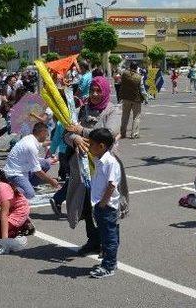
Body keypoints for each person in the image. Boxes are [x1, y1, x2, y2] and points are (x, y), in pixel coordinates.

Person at [64, 76, 128, 256]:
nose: (94, 94)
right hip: (82, 167)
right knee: (86, 205)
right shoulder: (81, 109)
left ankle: (107, 246)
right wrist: (74, 138)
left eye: (99, 90)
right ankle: (93, 241)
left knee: (106, 207)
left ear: (106, 91)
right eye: (92, 90)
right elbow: (66, 133)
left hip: (104, 168)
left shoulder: (113, 110)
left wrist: (82, 131)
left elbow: (109, 134)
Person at [86, 128, 122, 278]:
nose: (89, 147)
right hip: (100, 205)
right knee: (106, 234)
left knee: (109, 237)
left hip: (106, 206)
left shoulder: (110, 161)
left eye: (91, 144)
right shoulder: (98, 159)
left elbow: (112, 184)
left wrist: (103, 203)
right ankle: (110, 261)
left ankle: (108, 266)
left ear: (101, 146)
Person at [2, 122, 59, 199]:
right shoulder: (30, 146)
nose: (47, 136)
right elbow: (37, 171)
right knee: (29, 194)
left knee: (46, 163)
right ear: (42, 133)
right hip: (15, 173)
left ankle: (28, 184)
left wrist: (54, 142)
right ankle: (7, 192)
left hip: (23, 168)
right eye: (47, 134)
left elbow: (41, 144)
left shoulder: (30, 138)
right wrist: (52, 181)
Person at [119, 62, 145, 140]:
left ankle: (122, 133)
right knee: (136, 116)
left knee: (125, 116)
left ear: (130, 67)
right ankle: (134, 134)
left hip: (125, 98)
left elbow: (119, 69)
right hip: (136, 99)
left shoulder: (124, 74)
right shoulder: (139, 77)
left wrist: (124, 60)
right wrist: (146, 98)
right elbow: (142, 89)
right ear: (136, 67)